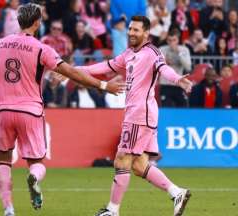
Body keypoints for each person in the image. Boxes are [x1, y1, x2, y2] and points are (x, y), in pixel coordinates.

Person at [0, 3, 124, 216]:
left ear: (19, 21)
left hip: (3, 110)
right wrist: (104, 85)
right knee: (37, 162)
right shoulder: (41, 48)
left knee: (3, 161)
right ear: (37, 22)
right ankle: (33, 177)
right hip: (30, 111)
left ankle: (9, 209)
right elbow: (71, 73)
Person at [77, 16, 192, 216]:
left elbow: (163, 68)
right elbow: (107, 66)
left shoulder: (152, 52)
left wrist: (177, 80)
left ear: (146, 33)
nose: (131, 33)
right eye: (130, 29)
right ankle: (177, 193)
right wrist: (76, 70)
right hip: (138, 112)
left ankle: (112, 211)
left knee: (122, 159)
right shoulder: (129, 53)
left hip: (140, 113)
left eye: (136, 30)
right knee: (139, 165)